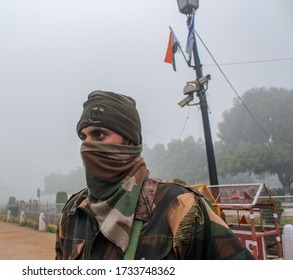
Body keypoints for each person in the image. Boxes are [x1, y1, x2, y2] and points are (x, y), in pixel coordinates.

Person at [55, 90, 254, 260]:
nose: (87, 145)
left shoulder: (181, 207)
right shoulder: (74, 211)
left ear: (130, 142)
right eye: (84, 137)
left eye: (98, 135)